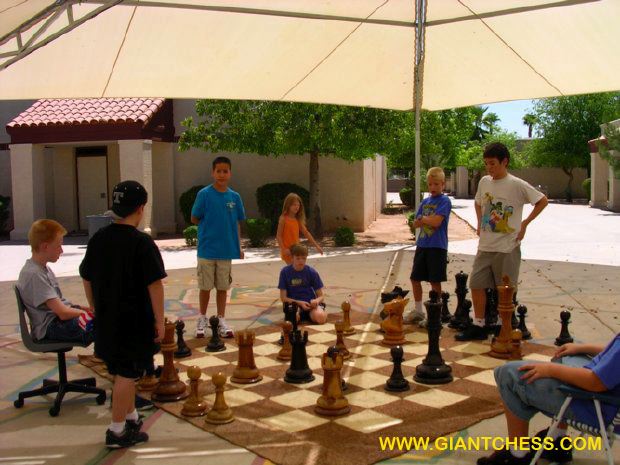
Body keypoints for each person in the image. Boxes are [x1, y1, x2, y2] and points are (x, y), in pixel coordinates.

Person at [80, 180, 166, 449]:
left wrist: (94, 305)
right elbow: (155, 285)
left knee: (120, 371)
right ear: (141, 209)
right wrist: (159, 320)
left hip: (107, 319)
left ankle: (130, 416)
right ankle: (116, 431)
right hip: (134, 321)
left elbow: (86, 276)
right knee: (128, 375)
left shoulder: (99, 239)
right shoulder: (142, 243)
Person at [477, 335, 620, 465]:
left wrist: (551, 369)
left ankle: (518, 455)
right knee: (564, 355)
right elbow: (614, 354)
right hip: (607, 396)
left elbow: (595, 382)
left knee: (508, 375)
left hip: (597, 406)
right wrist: (582, 348)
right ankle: (556, 442)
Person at [457, 142, 548, 341]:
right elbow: (478, 202)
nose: (489, 168)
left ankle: (501, 325)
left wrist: (525, 223)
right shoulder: (484, 182)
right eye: (486, 164)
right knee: (476, 284)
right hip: (486, 246)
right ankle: (479, 324)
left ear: (504, 162)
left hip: (507, 246)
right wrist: (480, 221)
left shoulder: (517, 184)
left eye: (492, 164)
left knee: (504, 290)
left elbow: (542, 200)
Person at [191, 156, 246, 338]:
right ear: (212, 172)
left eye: (225, 171)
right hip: (207, 250)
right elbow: (194, 217)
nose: (222, 174)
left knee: (223, 287)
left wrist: (239, 246)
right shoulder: (204, 194)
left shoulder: (234, 197)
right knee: (205, 287)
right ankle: (202, 317)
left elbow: (238, 223)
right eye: (218, 171)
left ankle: (221, 318)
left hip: (226, 251)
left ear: (230, 173)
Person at [16, 219, 94, 345]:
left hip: (57, 321)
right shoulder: (34, 274)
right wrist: (88, 313)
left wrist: (87, 309)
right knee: (104, 324)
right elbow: (62, 313)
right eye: (59, 245)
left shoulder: (42, 269)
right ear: (45, 247)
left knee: (108, 319)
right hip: (51, 327)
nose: (62, 251)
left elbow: (62, 306)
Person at [405, 167, 451, 326]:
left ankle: (435, 314)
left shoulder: (445, 201)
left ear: (443, 184)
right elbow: (415, 223)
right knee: (415, 278)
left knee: (434, 281)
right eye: (430, 184)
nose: (433, 187)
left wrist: (424, 219)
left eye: (436, 184)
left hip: (437, 247)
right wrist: (425, 219)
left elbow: (437, 222)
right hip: (423, 245)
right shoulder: (425, 202)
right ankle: (418, 310)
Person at [278, 243, 327, 324]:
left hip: (309, 304)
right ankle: (298, 315)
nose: (301, 261)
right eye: (298, 258)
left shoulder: (311, 272)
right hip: (293, 303)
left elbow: (321, 296)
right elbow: (283, 298)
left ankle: (316, 312)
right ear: (292, 258)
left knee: (320, 318)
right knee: (292, 321)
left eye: (303, 258)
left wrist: (316, 301)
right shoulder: (285, 272)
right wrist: (299, 303)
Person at [276, 193, 323, 264]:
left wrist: (316, 246)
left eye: (298, 205)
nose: (297, 207)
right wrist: (284, 249)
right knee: (294, 271)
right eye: (294, 205)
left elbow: (306, 232)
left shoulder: (297, 219)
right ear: (288, 205)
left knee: (297, 272)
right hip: (288, 251)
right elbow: (278, 236)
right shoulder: (283, 219)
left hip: (297, 250)